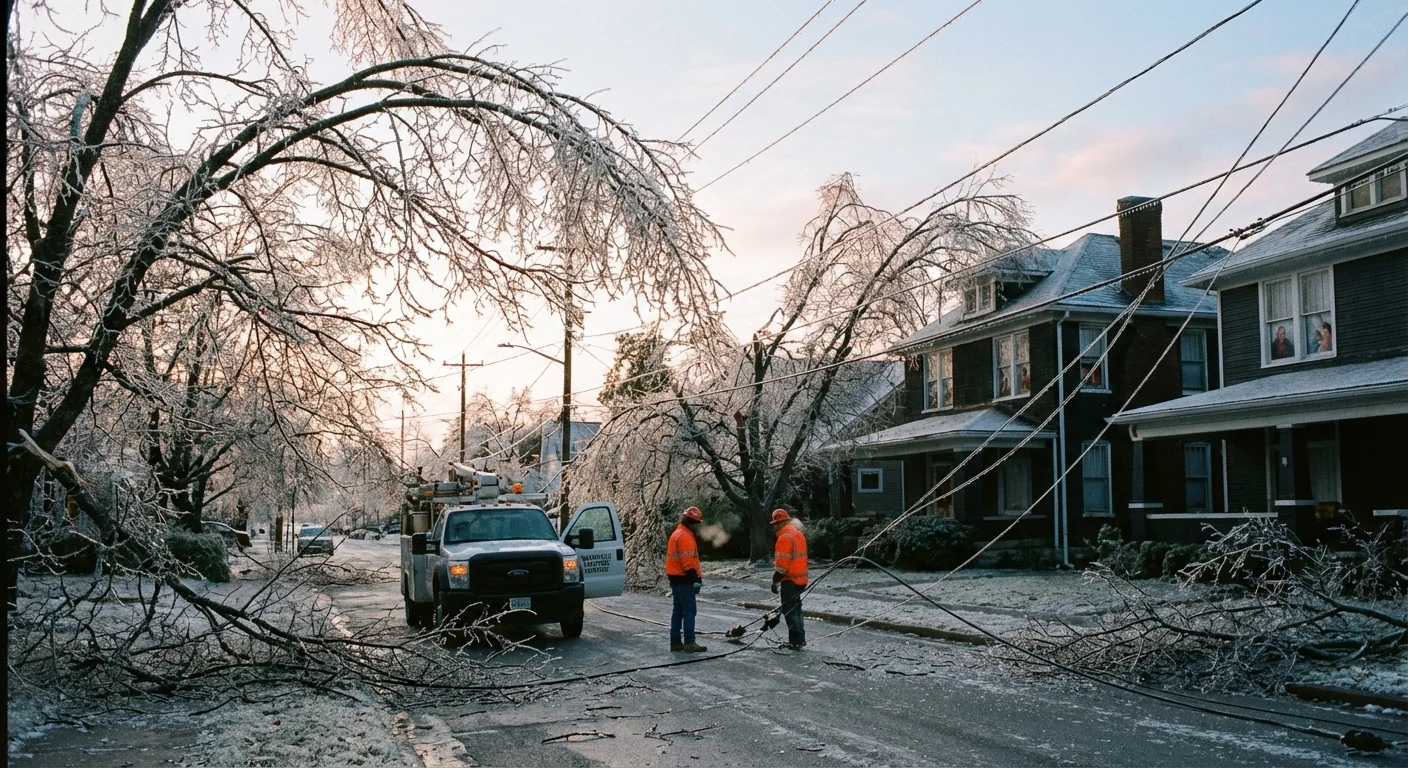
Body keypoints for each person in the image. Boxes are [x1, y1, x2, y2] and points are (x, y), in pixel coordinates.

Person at [665, 506, 707, 653]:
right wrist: (695, 579)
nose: (698, 526)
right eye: (697, 523)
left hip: (675, 580)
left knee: (677, 612)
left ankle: (675, 642)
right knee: (689, 611)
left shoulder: (676, 534)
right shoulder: (685, 537)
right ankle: (690, 642)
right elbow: (688, 562)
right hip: (684, 580)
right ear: (692, 522)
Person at [770, 508, 809, 650]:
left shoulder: (784, 538)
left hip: (790, 580)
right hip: (801, 580)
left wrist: (774, 581)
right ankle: (800, 638)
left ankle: (795, 641)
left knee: (790, 611)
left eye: (776, 524)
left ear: (782, 523)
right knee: (797, 609)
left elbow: (782, 567)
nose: (774, 527)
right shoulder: (798, 534)